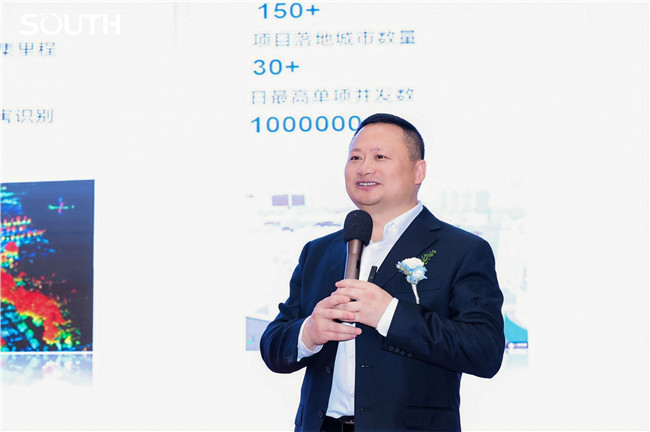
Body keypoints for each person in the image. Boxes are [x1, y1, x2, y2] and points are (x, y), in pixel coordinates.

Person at [260, 113, 505, 432]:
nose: (364, 168)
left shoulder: (461, 250)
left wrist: (389, 314)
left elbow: (484, 351)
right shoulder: (319, 252)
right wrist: (308, 333)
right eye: (355, 157)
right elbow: (273, 345)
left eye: (380, 157)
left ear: (419, 171)